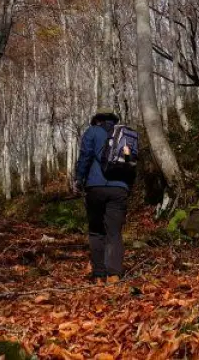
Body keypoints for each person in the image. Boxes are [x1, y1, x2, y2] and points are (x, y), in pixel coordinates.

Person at [72, 112, 134, 284]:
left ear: (96, 120)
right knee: (114, 232)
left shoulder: (92, 132)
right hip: (119, 188)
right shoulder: (125, 133)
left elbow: (85, 157)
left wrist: (78, 180)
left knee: (96, 231)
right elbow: (131, 161)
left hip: (95, 187)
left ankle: (99, 275)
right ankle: (113, 275)